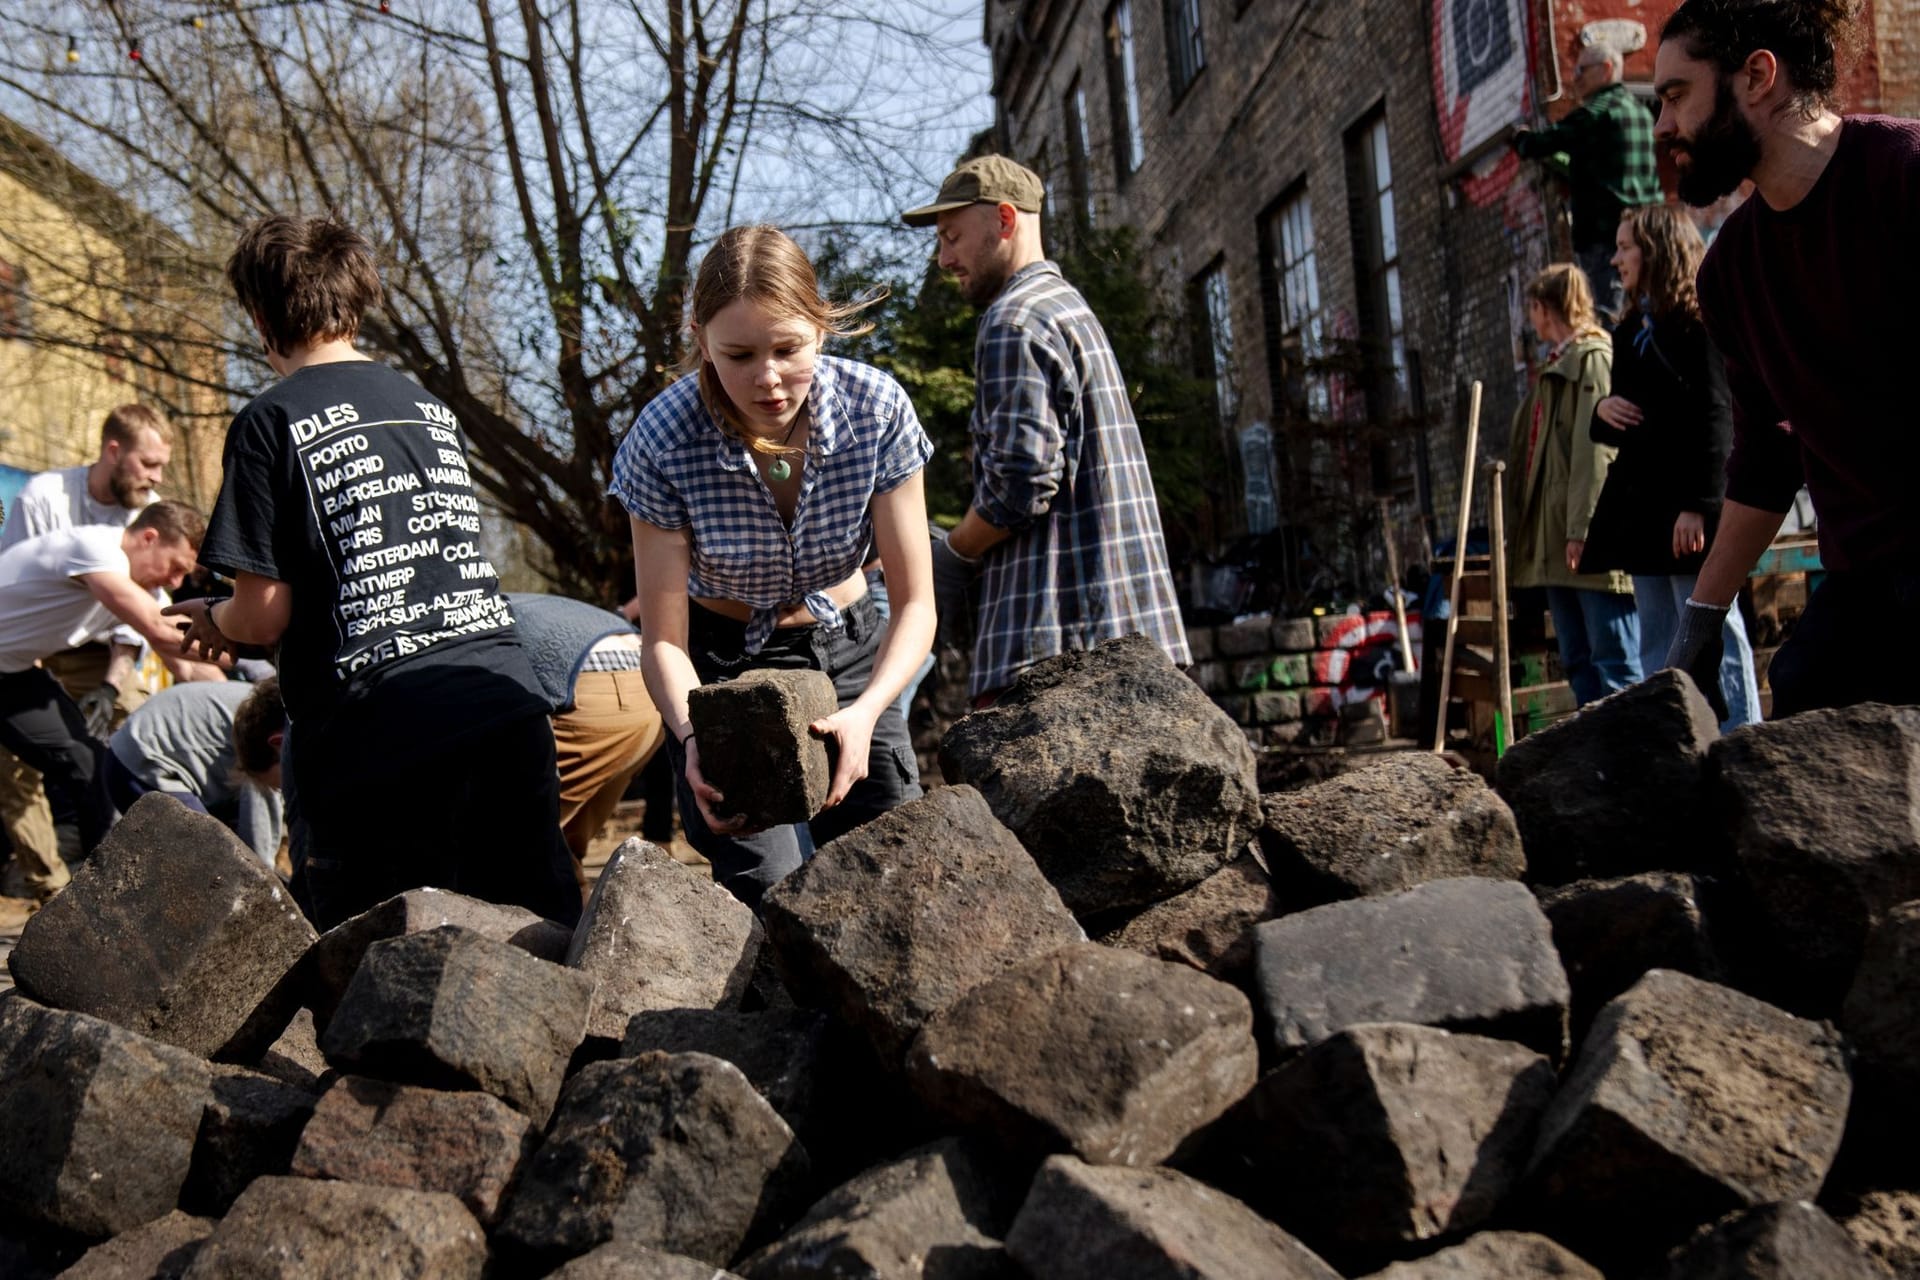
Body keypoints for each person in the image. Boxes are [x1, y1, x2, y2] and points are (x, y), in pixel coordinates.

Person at [168, 213, 581, 930]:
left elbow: (262, 613)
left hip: (379, 732)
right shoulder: (427, 408)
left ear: (261, 320)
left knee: (375, 965)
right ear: (357, 301)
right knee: (535, 938)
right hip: (504, 705)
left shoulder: (269, 421)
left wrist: (215, 622)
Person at [612, 224, 934, 911]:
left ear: (822, 328)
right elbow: (663, 640)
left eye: (789, 349)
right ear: (700, 339)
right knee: (770, 893)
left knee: (895, 876)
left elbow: (915, 605)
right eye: (739, 354)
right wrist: (693, 732)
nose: (767, 379)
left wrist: (870, 711)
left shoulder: (876, 412)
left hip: (848, 653)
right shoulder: (663, 442)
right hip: (723, 671)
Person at [1653, 0, 1920, 716]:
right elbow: (1765, 462)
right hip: (1868, 582)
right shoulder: (1730, 272)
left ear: (1758, 76)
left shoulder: (1904, 174)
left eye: (1677, 95)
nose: (1662, 126)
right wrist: (1701, 622)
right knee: (1804, 697)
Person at [900, 156, 1189, 702]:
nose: (944, 259)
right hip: (1125, 634)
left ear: (1005, 221)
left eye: (953, 237)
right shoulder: (1067, 307)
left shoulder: (1012, 322)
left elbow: (1021, 485)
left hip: (1055, 649)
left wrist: (952, 555)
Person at [0, 405, 199, 899]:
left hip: (32, 662)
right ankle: (48, 884)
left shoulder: (144, 518)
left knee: (92, 761)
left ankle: (97, 901)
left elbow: (168, 643)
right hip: (30, 649)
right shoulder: (84, 532)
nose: (156, 478)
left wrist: (113, 684)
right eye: (149, 464)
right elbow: (155, 623)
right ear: (115, 451)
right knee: (18, 772)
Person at [1578, 205, 1760, 728]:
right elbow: (1634, 416)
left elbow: (1716, 417)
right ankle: (1674, 744)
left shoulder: (1699, 322)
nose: (1614, 259)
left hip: (1685, 515)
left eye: (1625, 246)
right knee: (1658, 637)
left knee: (1712, 630)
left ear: (1656, 249)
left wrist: (1698, 507)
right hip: (1644, 515)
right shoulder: (1632, 326)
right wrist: (1601, 412)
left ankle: (1742, 739)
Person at [0, 501, 209, 858]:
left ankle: (103, 884)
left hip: (11, 672)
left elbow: (190, 665)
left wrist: (241, 697)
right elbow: (160, 630)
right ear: (149, 537)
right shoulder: (97, 549)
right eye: (175, 568)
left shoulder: (145, 590)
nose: (176, 582)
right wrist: (253, 635)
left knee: (89, 762)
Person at [1506, 263, 1642, 706]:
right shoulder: (1557, 367)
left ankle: (1633, 758)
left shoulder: (1592, 360)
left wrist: (1584, 529)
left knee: (1615, 661)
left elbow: (1595, 452)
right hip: (1558, 544)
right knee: (1578, 659)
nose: (1531, 319)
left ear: (1545, 309)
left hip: (1584, 539)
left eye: (1532, 308)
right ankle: (1597, 761)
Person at [506, 593, 665, 877]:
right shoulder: (518, 601)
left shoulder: (458, 620)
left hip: (594, 689)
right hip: (651, 686)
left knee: (514, 840)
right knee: (563, 845)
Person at [1514, 42, 1664, 314]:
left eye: (1581, 70)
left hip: (1604, 238)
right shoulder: (1641, 113)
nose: (1575, 78)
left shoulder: (1595, 112)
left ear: (1606, 69)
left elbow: (1540, 143)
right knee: (1649, 311)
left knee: (1608, 316)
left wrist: (1521, 139)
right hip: (1649, 234)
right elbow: (1600, 167)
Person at [105, 677, 286, 867]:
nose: (281, 789)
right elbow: (259, 827)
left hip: (138, 749)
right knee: (214, 865)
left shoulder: (279, 710)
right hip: (141, 762)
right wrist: (263, 880)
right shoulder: (268, 732)